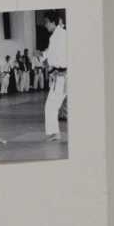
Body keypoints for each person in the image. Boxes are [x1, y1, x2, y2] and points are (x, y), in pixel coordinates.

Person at [42, 11, 68, 142]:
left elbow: (56, 57)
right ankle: (54, 133)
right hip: (60, 76)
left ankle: (55, 133)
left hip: (62, 76)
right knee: (52, 106)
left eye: (46, 22)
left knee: (51, 106)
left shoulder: (60, 35)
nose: (45, 25)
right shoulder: (58, 35)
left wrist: (45, 60)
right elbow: (50, 55)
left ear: (53, 22)